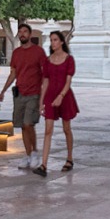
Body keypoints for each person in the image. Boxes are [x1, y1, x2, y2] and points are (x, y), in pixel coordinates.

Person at [0, 23, 46, 171]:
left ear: (30, 35)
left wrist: (44, 96)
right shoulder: (17, 53)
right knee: (22, 127)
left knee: (28, 124)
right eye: (20, 32)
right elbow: (13, 73)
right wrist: (3, 91)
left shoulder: (39, 52)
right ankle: (28, 154)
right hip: (20, 94)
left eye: (25, 31)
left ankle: (35, 151)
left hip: (34, 93)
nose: (22, 34)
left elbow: (45, 74)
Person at [34, 30, 78, 175]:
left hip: (65, 96)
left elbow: (68, 80)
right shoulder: (47, 60)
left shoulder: (69, 59)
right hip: (50, 96)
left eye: (55, 40)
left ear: (61, 42)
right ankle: (43, 165)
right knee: (48, 130)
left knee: (66, 128)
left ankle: (69, 158)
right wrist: (41, 102)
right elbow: (45, 81)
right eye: (51, 40)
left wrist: (61, 96)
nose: (52, 43)